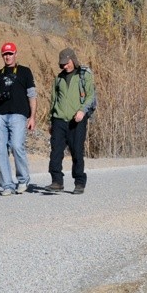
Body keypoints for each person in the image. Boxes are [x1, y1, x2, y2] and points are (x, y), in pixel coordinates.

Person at [0, 41, 36, 196]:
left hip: (19, 115)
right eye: (5, 54)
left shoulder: (25, 72)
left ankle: (23, 179)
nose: (8, 57)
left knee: (16, 146)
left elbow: (32, 95)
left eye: (10, 53)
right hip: (0, 116)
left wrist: (32, 117)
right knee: (0, 151)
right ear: (2, 56)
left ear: (15, 54)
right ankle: (7, 185)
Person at [48, 47, 96, 194]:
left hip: (77, 119)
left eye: (67, 63)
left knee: (77, 151)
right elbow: (53, 100)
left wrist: (82, 111)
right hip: (59, 119)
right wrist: (51, 120)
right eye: (62, 64)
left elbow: (90, 96)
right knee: (56, 151)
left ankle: (79, 182)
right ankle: (56, 181)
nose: (65, 66)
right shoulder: (58, 78)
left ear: (73, 60)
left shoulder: (84, 75)